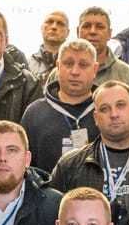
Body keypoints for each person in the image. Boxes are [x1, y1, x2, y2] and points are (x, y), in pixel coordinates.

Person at [49, 81, 129, 201]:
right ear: (96, 118)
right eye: (104, 109)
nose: (114, 114)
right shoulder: (70, 165)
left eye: (120, 105)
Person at [20, 38, 100, 174]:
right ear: (58, 66)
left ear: (95, 69)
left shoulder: (107, 112)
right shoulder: (34, 113)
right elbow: (23, 166)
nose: (75, 71)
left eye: (83, 65)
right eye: (68, 64)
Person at [71, 7, 129, 124]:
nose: (92, 31)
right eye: (86, 26)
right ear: (78, 32)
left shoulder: (128, 75)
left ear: (110, 34)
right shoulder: (61, 74)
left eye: (100, 27)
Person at [29, 10, 70, 81]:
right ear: (42, 28)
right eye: (49, 22)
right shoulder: (27, 64)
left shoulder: (75, 65)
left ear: (67, 32)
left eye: (60, 24)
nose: (54, 27)